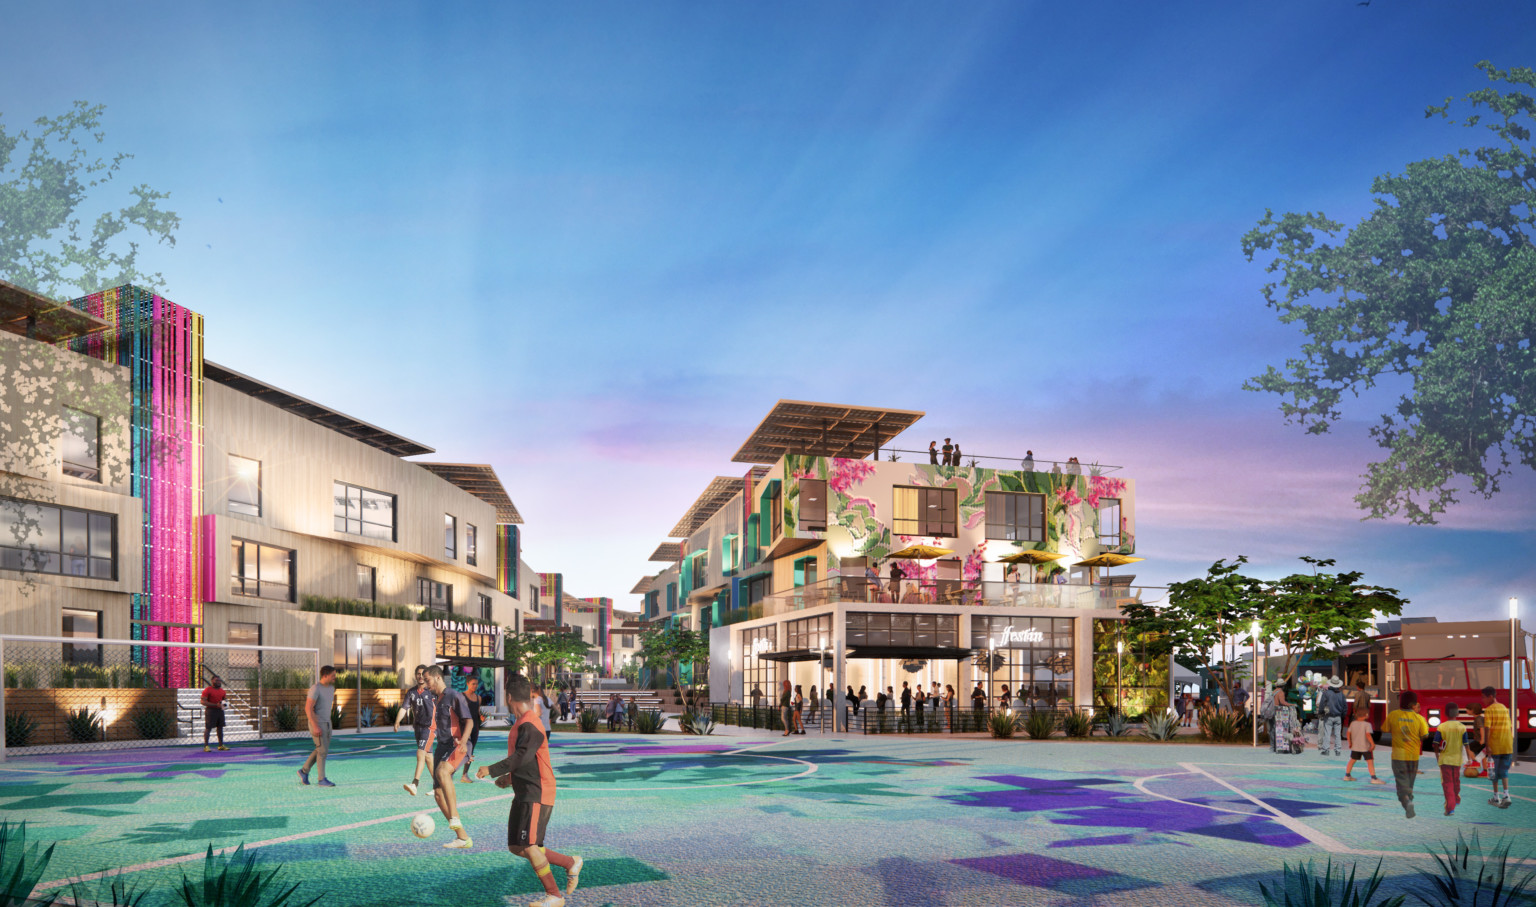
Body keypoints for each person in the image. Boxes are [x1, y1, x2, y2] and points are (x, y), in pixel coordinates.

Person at [479, 677, 582, 907]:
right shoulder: (521, 723)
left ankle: (554, 895)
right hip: (524, 791)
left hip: (537, 791)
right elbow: (526, 760)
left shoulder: (531, 723)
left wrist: (492, 770)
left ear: (508, 698)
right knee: (517, 846)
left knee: (529, 846)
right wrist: (508, 778)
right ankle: (569, 862)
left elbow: (522, 757)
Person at [421, 666, 474, 848]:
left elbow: (469, 721)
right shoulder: (436, 698)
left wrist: (464, 742)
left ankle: (454, 817)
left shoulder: (454, 695)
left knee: (443, 772)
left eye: (427, 680)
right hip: (442, 747)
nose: (425, 684)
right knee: (437, 794)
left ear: (437, 678)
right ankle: (462, 838)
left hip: (457, 744)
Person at [1386, 690, 1430, 818]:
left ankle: (1406, 801)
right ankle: (1409, 798)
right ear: (1413, 705)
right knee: (1410, 783)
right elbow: (1425, 735)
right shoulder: (1420, 718)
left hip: (1398, 756)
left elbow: (1386, 728)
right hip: (1413, 756)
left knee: (1401, 783)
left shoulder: (1394, 714)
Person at [397, 665, 436, 796]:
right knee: (429, 757)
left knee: (420, 753)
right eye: (418, 674)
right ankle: (439, 785)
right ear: (415, 676)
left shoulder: (432, 691)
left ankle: (415, 783)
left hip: (429, 728)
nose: (420, 676)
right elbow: (404, 708)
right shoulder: (411, 692)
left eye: (422, 674)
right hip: (418, 728)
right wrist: (397, 721)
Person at [298, 665, 336, 788]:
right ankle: (321, 779)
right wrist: (315, 726)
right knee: (322, 751)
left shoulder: (331, 688)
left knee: (321, 750)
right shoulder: (315, 689)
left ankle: (304, 771)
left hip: (327, 723)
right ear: (325, 675)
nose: (335, 677)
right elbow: (308, 708)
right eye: (332, 675)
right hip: (317, 723)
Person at [1479, 686, 1514, 808]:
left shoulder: (1489, 710)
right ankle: (1506, 795)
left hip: (1495, 745)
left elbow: (1487, 728)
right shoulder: (1504, 708)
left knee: (1493, 772)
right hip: (1507, 745)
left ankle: (1495, 797)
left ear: (1490, 697)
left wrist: (1487, 746)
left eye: (1484, 697)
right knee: (1504, 771)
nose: (1483, 700)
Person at [1436, 702, 1469, 816]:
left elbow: (1435, 743)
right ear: (1458, 713)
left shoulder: (1441, 727)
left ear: (1445, 713)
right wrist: (1469, 758)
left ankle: (1450, 807)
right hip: (1457, 760)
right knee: (1456, 781)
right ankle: (1456, 798)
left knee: (1447, 783)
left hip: (1445, 760)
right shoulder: (1462, 727)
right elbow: (1466, 744)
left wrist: (1437, 756)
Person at [1343, 706, 1385, 784]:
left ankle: (1347, 775)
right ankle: (1373, 778)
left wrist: (1350, 743)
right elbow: (1368, 735)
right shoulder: (1367, 724)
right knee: (1370, 762)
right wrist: (1372, 744)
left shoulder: (1352, 723)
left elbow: (1348, 733)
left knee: (1352, 760)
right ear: (1366, 715)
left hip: (1355, 747)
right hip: (1366, 747)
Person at [460, 675, 485, 783]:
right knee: (459, 751)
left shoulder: (478, 698)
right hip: (463, 728)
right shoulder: (461, 696)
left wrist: (481, 717)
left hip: (475, 728)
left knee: (470, 752)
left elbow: (478, 711)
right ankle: (448, 772)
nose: (475, 686)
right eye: (473, 684)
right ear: (467, 684)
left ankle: (464, 775)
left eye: (476, 684)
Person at [1318, 676, 1348, 757]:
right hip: (1338, 716)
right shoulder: (1341, 694)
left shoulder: (1326, 693)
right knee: (1337, 734)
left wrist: (1320, 713)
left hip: (1328, 716)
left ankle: (1326, 750)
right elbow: (1345, 707)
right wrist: (1343, 716)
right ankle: (1338, 750)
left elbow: (1322, 705)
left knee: (1327, 733)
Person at [201, 674, 228, 752]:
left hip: (220, 711)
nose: (218, 682)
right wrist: (215, 705)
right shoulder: (207, 690)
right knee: (208, 728)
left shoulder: (222, 691)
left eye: (219, 681)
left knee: (220, 728)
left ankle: (221, 745)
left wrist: (225, 704)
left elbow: (225, 700)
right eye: (216, 680)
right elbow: (203, 701)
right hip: (211, 711)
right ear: (212, 681)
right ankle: (206, 746)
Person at [1465, 702, 1489, 777]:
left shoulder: (1478, 719)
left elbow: (1482, 729)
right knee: (1484, 756)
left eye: (1468, 710)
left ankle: (1475, 762)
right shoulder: (1480, 718)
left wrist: (1482, 739)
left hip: (1480, 740)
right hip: (1486, 740)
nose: (1466, 711)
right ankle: (1485, 771)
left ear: (1473, 711)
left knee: (1468, 748)